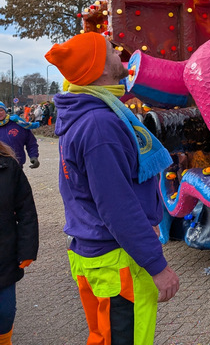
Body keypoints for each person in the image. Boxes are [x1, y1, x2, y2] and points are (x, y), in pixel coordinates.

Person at [45, 32, 179, 344]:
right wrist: (158, 266)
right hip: (117, 262)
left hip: (97, 255)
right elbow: (117, 206)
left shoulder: (83, 115)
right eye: (110, 50)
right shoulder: (99, 125)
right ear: (99, 69)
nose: (118, 53)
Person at [0, 141, 38, 345]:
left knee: (5, 313)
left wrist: (27, 249)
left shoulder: (8, 165)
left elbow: (26, 210)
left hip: (4, 255)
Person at [0, 103, 39, 169]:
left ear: (5, 111)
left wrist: (33, 156)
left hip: (16, 165)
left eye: (1, 110)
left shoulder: (18, 123)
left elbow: (31, 142)